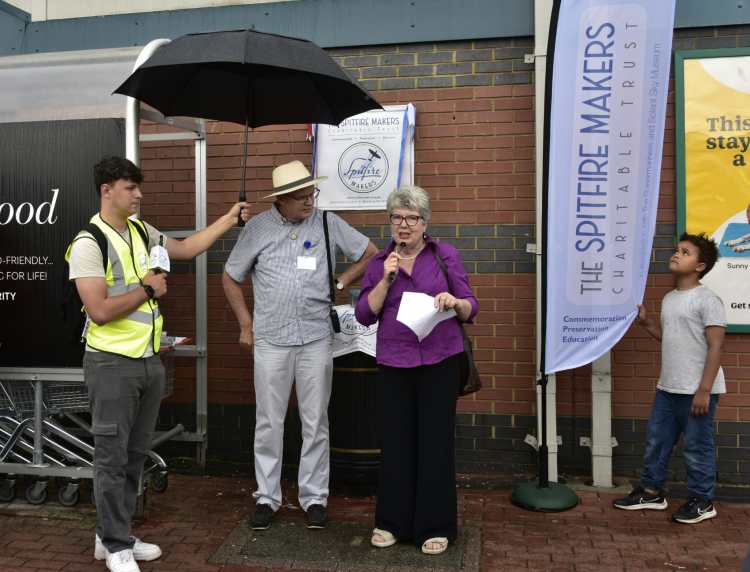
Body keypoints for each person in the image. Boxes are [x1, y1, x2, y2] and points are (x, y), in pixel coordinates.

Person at [67, 156, 249, 572]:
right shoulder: (88, 243)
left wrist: (228, 219)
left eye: (139, 187)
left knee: (134, 455)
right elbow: (98, 310)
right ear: (107, 190)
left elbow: (185, 249)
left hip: (148, 361)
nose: (139, 195)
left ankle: (112, 536)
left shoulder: (140, 230)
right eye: (130, 187)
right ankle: (115, 545)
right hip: (111, 364)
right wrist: (148, 290)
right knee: (112, 459)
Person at [222, 160, 377, 531]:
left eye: (312, 193)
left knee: (315, 421)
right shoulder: (257, 228)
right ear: (281, 199)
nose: (309, 201)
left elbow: (371, 253)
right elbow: (230, 276)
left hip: (315, 338)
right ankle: (267, 496)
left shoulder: (327, 222)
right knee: (268, 421)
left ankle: (314, 497)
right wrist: (245, 324)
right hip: (271, 340)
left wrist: (341, 281)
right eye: (301, 196)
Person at [354, 186, 478, 555]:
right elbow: (364, 315)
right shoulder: (380, 263)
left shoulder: (444, 256)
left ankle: (435, 526)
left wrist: (454, 302)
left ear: (425, 223)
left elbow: (471, 307)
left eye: (412, 218)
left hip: (440, 361)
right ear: (389, 222)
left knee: (435, 444)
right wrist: (385, 280)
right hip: (394, 362)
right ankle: (391, 522)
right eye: (397, 217)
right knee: (396, 443)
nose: (404, 225)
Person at [613, 232, 725, 524]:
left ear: (700, 266)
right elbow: (672, 338)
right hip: (668, 387)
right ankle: (652, 492)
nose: (676, 254)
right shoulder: (669, 298)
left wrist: (704, 390)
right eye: (677, 250)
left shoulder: (708, 300)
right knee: (657, 441)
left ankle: (702, 501)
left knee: (697, 447)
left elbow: (716, 346)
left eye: (685, 252)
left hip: (697, 390)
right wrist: (647, 323)